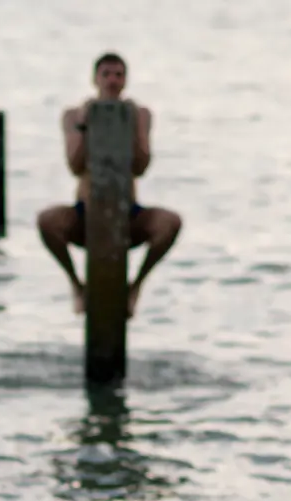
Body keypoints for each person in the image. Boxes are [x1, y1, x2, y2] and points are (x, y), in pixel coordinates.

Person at [37, 52, 183, 320]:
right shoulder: (74, 114)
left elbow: (140, 167)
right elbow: (75, 166)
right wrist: (84, 123)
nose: (112, 80)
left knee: (170, 223)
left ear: (126, 80)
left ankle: (135, 286)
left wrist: (135, 128)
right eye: (106, 74)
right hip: (85, 210)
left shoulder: (139, 113)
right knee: (47, 221)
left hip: (127, 211)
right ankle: (76, 284)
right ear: (95, 79)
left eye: (118, 74)